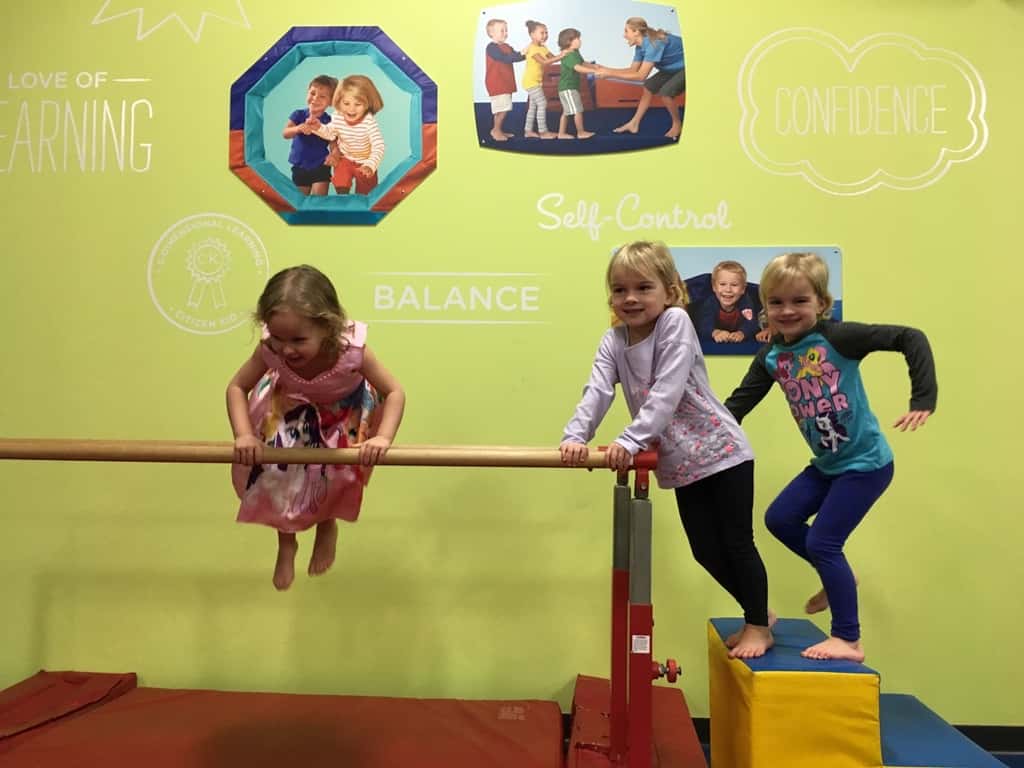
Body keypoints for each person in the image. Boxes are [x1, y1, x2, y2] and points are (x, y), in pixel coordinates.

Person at [560, 241, 773, 659]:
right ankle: (759, 609)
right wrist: (575, 437)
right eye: (620, 290)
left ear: (670, 290)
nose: (631, 298)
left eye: (643, 287)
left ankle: (758, 625)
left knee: (735, 542)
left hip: (720, 450)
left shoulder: (675, 322)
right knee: (704, 549)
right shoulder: (614, 340)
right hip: (680, 461)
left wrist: (628, 440)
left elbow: (667, 393)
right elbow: (598, 391)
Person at [724, 252, 936, 662]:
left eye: (799, 301)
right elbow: (737, 405)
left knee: (824, 541)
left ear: (822, 304)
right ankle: (838, 574)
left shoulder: (839, 338)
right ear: (764, 307)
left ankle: (848, 639)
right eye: (777, 302)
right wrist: (695, 435)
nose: (787, 311)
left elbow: (911, 337)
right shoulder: (771, 357)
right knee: (779, 519)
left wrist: (922, 398)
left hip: (866, 465)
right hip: (827, 466)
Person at [227, 265, 405, 591]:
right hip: (291, 408)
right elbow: (237, 387)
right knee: (279, 471)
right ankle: (286, 541)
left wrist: (383, 437)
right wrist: (244, 434)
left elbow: (394, 391)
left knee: (335, 472)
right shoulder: (269, 350)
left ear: (329, 325)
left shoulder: (352, 351)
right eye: (278, 338)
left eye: (298, 339)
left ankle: (327, 524)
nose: (286, 349)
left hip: (341, 413)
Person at [592, 17, 685, 139]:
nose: (624, 35)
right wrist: (606, 69)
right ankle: (634, 123)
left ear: (636, 32)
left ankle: (677, 124)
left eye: (626, 31)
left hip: (687, 66)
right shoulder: (640, 47)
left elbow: (641, 76)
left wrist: (609, 74)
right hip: (671, 69)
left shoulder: (654, 43)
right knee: (648, 87)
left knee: (666, 94)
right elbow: (633, 70)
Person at [319, 75, 385, 196]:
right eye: (346, 103)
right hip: (345, 158)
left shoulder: (368, 121)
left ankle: (362, 202)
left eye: (358, 104)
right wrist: (316, 127)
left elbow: (379, 146)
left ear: (368, 104)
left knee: (366, 192)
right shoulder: (338, 116)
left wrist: (370, 165)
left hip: (365, 162)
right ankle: (343, 198)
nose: (351, 109)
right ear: (339, 101)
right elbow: (329, 133)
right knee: (341, 180)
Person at [283, 75, 338, 196]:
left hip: (321, 165)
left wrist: (334, 155)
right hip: (300, 166)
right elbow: (285, 133)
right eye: (312, 93)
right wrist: (298, 128)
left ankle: (319, 214)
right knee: (300, 201)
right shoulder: (298, 114)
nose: (315, 98)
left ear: (331, 102)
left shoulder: (330, 121)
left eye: (322, 96)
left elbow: (334, 142)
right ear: (307, 93)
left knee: (319, 201)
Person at [695, 260, 760, 343]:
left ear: (743, 289)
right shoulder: (711, 302)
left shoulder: (745, 301)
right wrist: (715, 332)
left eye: (734, 285)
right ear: (714, 287)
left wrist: (742, 333)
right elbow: (703, 324)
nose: (728, 290)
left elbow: (751, 323)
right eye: (722, 284)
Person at [483, 18, 526, 142]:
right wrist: (521, 53)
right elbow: (504, 58)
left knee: (504, 108)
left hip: (506, 82)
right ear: (492, 33)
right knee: (501, 109)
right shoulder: (491, 48)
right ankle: (495, 130)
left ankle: (498, 129)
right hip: (497, 82)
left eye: (506, 30)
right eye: (502, 31)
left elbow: (516, 57)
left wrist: (526, 54)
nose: (505, 33)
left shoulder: (507, 46)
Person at [522, 20, 562, 139]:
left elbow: (554, 58)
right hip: (530, 82)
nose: (545, 35)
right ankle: (543, 132)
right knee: (542, 103)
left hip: (536, 81)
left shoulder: (543, 47)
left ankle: (528, 131)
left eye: (546, 32)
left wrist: (565, 53)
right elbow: (544, 62)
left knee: (533, 106)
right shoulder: (533, 49)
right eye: (542, 33)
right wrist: (561, 55)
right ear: (532, 34)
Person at [555, 28, 596, 140]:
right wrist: (593, 71)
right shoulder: (568, 55)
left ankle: (561, 133)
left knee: (566, 112)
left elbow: (582, 63)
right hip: (568, 88)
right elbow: (578, 68)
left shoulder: (575, 52)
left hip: (569, 88)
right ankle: (580, 132)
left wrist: (593, 66)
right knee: (578, 110)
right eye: (577, 38)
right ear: (568, 41)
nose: (580, 41)